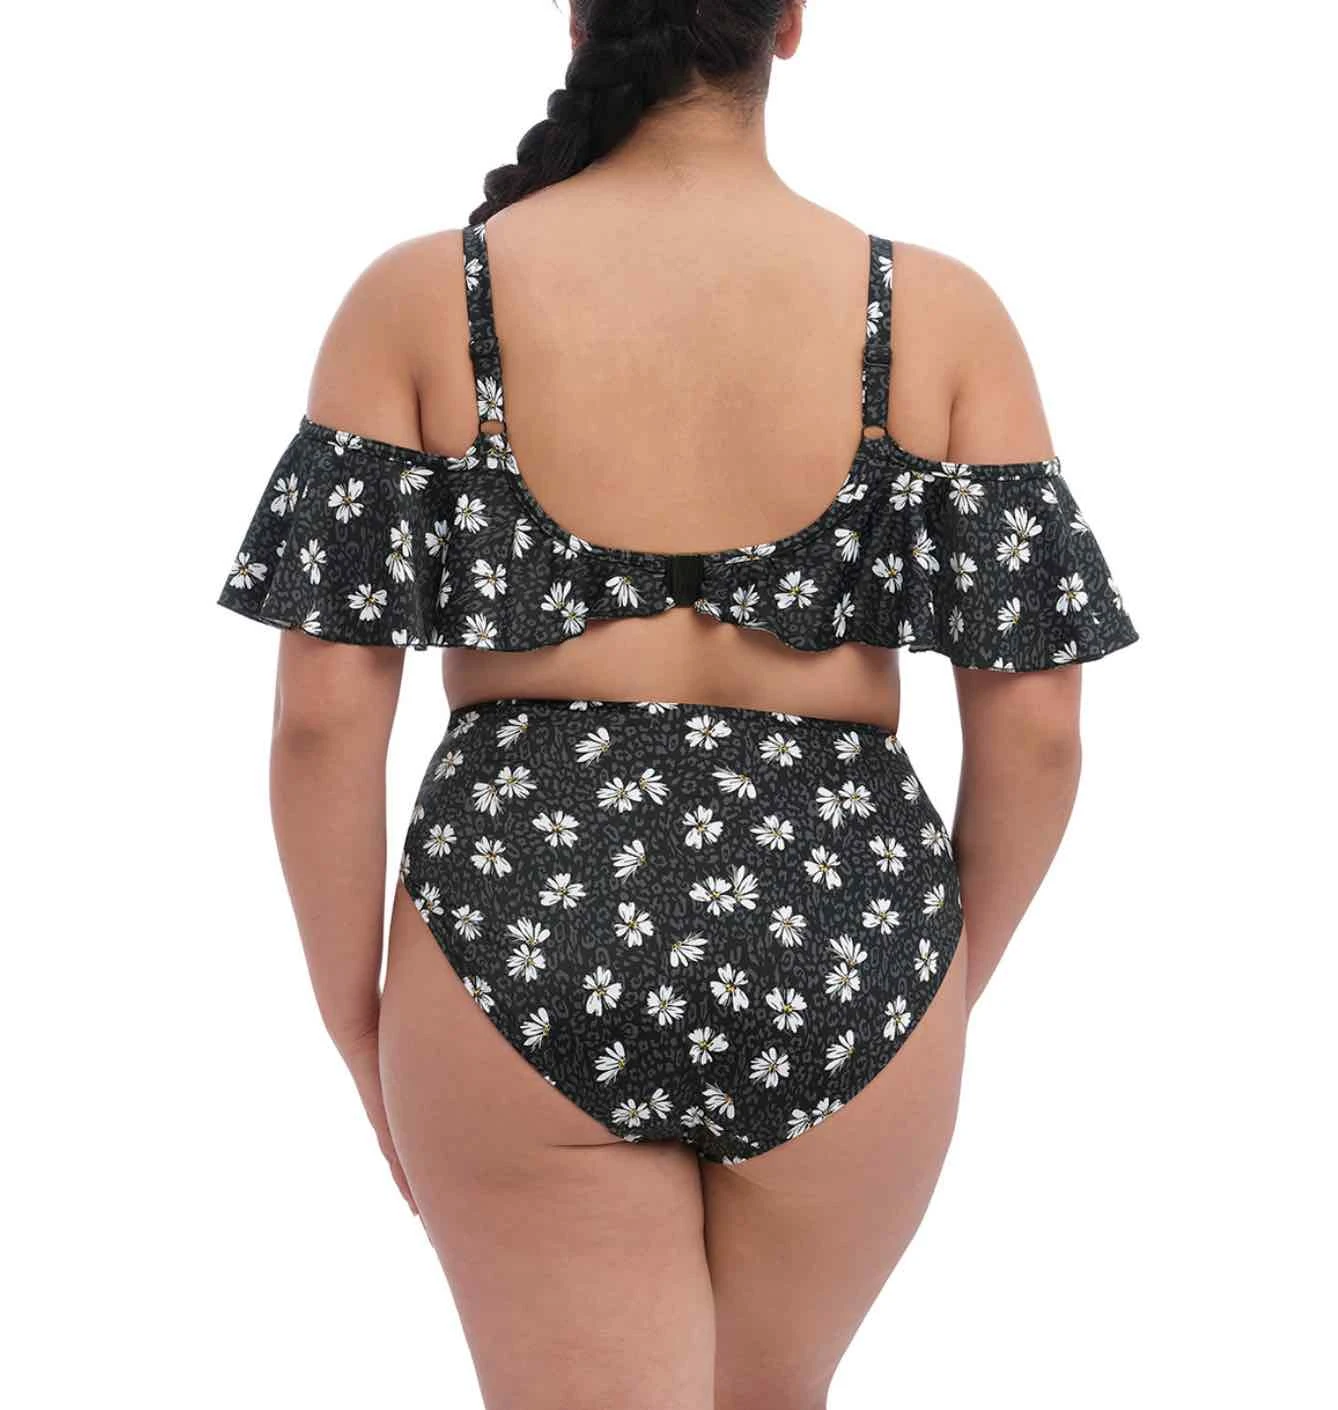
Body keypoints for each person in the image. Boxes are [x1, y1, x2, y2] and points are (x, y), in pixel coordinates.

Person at [216, 2, 1138, 1405]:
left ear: (578, 21)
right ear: (789, 25)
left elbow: (321, 722)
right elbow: (1041, 729)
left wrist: (359, 1022)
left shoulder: (424, 297)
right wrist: (935, 987)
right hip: (846, 934)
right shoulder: (940, 314)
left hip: (520, 925)